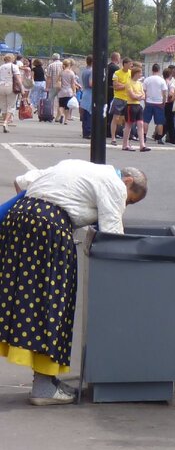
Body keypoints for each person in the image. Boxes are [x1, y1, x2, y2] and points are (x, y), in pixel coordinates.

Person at [0, 160, 148, 404]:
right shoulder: (114, 184)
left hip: (19, 222)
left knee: (20, 302)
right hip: (50, 229)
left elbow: (22, 181)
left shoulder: (77, 165)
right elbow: (113, 232)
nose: (126, 204)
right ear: (128, 182)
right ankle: (44, 386)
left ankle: (45, 380)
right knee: (52, 303)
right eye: (130, 200)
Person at [123, 64, 149, 152]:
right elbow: (132, 96)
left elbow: (144, 95)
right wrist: (139, 96)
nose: (141, 75)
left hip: (138, 105)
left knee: (140, 124)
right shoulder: (128, 83)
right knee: (129, 125)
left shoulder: (139, 84)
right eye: (140, 73)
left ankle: (142, 145)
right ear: (136, 73)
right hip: (130, 105)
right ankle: (125, 144)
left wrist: (139, 96)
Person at [141, 63, 168, 144]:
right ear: (159, 70)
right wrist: (163, 102)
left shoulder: (147, 79)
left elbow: (144, 91)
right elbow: (164, 93)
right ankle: (159, 138)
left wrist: (145, 101)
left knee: (146, 120)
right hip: (159, 102)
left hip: (149, 101)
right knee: (159, 122)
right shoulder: (161, 80)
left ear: (152, 70)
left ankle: (144, 136)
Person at [110, 56, 132, 145]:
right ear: (125, 64)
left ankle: (126, 140)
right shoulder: (117, 73)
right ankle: (113, 138)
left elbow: (132, 84)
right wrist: (125, 85)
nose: (131, 65)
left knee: (127, 120)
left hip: (128, 99)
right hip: (119, 98)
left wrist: (122, 85)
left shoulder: (131, 73)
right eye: (130, 64)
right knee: (116, 118)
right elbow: (115, 86)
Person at [0, 53, 23, 132]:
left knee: (3, 106)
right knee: (11, 106)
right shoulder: (14, 66)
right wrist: (22, 89)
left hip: (1, 87)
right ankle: (6, 123)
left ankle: (4, 122)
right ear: (12, 59)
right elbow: (18, 79)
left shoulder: (1, 67)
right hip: (10, 87)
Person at [56, 58, 79, 124]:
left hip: (61, 91)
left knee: (61, 105)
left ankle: (62, 115)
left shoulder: (61, 72)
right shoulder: (72, 73)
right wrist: (74, 91)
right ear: (69, 65)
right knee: (67, 107)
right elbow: (73, 84)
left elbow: (57, 80)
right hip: (69, 91)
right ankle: (66, 120)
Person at [163, 64, 175, 146]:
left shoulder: (163, 80)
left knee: (165, 120)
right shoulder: (170, 82)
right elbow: (171, 94)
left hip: (162, 103)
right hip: (169, 103)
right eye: (173, 71)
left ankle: (161, 135)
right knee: (170, 121)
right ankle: (172, 138)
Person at [44, 53, 63, 120]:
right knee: (60, 101)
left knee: (50, 100)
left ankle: (51, 114)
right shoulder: (63, 65)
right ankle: (59, 116)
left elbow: (49, 78)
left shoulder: (51, 65)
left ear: (53, 58)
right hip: (61, 85)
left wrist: (47, 87)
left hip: (53, 85)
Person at [79, 55, 94, 139]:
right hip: (90, 93)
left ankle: (85, 131)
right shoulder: (92, 71)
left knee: (85, 114)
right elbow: (91, 83)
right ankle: (88, 132)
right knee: (89, 113)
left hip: (85, 92)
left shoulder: (84, 70)